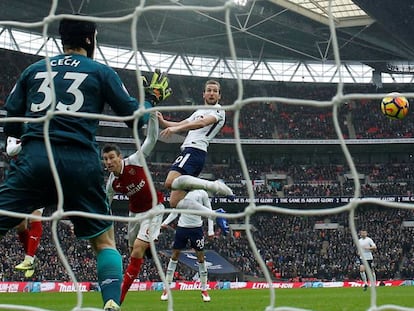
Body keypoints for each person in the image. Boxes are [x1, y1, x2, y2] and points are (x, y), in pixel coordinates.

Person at [0, 16, 170, 311]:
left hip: (36, 159)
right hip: (81, 162)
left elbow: (11, 122)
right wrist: (151, 100)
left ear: (61, 40)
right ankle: (112, 303)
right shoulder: (100, 71)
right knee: (105, 242)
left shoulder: (34, 69)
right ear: (90, 40)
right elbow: (134, 117)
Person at [102, 111, 164, 305]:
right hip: (134, 215)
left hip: (154, 209)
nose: (109, 162)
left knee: (137, 249)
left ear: (120, 157)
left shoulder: (136, 160)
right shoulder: (112, 184)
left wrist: (153, 115)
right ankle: (151, 248)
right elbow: (106, 205)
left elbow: (152, 138)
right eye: (105, 159)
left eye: (112, 157)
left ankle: (117, 300)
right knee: (132, 252)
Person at [157, 80, 233, 216]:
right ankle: (214, 214)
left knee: (169, 182)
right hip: (191, 152)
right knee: (175, 202)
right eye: (209, 90)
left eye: (215, 91)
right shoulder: (199, 111)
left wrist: (175, 129)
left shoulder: (218, 110)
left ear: (219, 96)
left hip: (194, 151)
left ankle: (215, 186)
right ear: (203, 94)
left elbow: (202, 123)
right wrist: (163, 122)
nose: (211, 93)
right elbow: (181, 123)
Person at [160, 189, 215, 302]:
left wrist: (211, 230)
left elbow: (210, 211)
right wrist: (165, 222)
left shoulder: (202, 193)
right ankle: (167, 289)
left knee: (200, 258)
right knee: (174, 255)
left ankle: (204, 290)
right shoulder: (181, 192)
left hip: (196, 229)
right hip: (182, 228)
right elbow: (175, 211)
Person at [6, 136, 44, 279]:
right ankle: (32, 259)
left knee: (35, 216)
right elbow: (10, 151)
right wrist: (28, 142)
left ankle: (29, 258)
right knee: (20, 226)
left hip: (38, 177)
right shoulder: (16, 132)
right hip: (21, 180)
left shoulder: (38, 131)